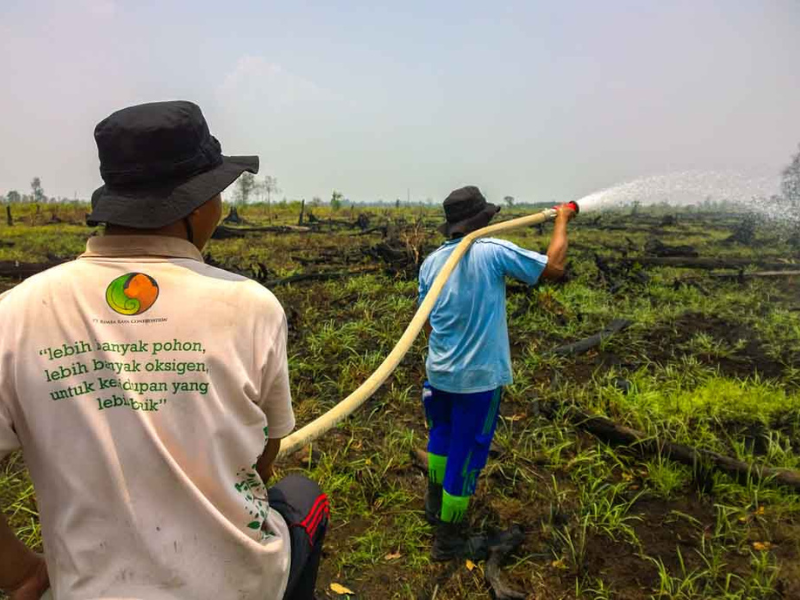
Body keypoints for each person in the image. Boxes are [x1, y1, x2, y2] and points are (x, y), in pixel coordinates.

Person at [0, 100, 329, 600]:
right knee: (305, 497)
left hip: (89, 590)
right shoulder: (250, 307)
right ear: (197, 206)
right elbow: (262, 464)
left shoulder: (16, 314)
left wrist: (23, 575)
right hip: (237, 586)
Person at [418, 185, 575, 560]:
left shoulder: (430, 263)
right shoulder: (493, 252)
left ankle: (434, 505)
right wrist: (562, 221)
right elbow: (553, 269)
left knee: (441, 434)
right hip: (477, 382)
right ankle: (449, 540)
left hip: (438, 374)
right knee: (466, 454)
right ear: (483, 220)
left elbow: (425, 322)